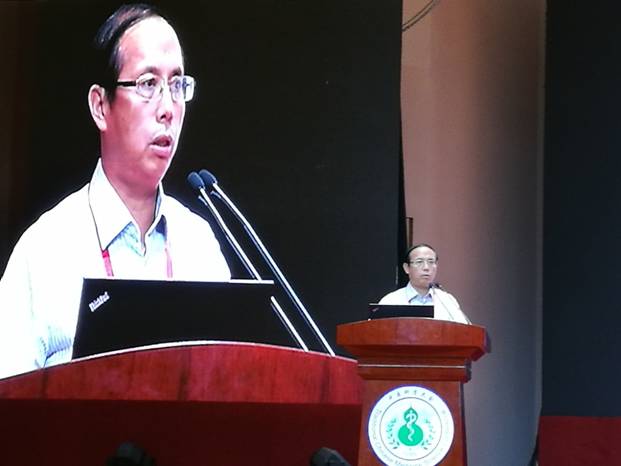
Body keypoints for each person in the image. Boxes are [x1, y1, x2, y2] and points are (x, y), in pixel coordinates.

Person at [0, 4, 230, 378]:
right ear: (100, 106)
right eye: (148, 84)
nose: (168, 108)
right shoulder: (44, 250)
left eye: (177, 85)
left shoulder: (199, 246)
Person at [378, 243, 470, 324]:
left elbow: (465, 331)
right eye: (419, 262)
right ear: (407, 268)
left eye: (431, 262)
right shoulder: (391, 300)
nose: (426, 267)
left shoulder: (447, 300)